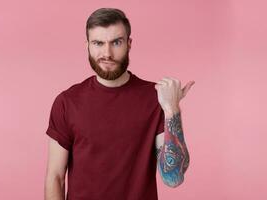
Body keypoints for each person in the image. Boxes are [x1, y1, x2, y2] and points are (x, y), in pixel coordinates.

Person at [44, 7, 194, 200]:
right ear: (87, 45)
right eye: (98, 43)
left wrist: (172, 110)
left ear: (129, 44)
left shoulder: (155, 98)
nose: (107, 53)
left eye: (116, 42)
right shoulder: (67, 102)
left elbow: (173, 178)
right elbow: (55, 177)